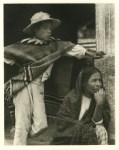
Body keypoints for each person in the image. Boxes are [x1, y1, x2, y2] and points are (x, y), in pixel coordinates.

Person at [4, 12, 105, 145]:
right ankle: (18, 139)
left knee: (41, 124)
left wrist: (89, 53)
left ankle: (17, 130)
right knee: (23, 122)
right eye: (45, 28)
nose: (49, 31)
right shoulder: (24, 44)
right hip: (23, 84)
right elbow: (5, 54)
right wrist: (17, 63)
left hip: (39, 85)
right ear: (35, 29)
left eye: (50, 28)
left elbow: (72, 48)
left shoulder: (55, 45)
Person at [50, 67, 111, 145]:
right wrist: (83, 128)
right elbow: (64, 122)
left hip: (89, 132)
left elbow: (97, 123)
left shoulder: (101, 98)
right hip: (68, 135)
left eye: (100, 80)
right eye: (94, 80)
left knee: (101, 130)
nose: (98, 84)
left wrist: (99, 104)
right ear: (83, 83)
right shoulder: (71, 98)